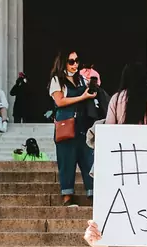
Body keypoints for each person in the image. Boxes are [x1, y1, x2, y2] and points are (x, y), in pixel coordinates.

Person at [48, 50, 97, 207]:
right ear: (63, 62)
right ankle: (67, 195)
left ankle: (93, 193)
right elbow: (59, 101)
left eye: (76, 61)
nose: (75, 64)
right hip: (67, 125)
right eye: (71, 61)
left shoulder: (81, 79)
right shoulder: (57, 80)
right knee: (67, 160)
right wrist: (82, 97)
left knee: (88, 159)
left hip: (83, 125)